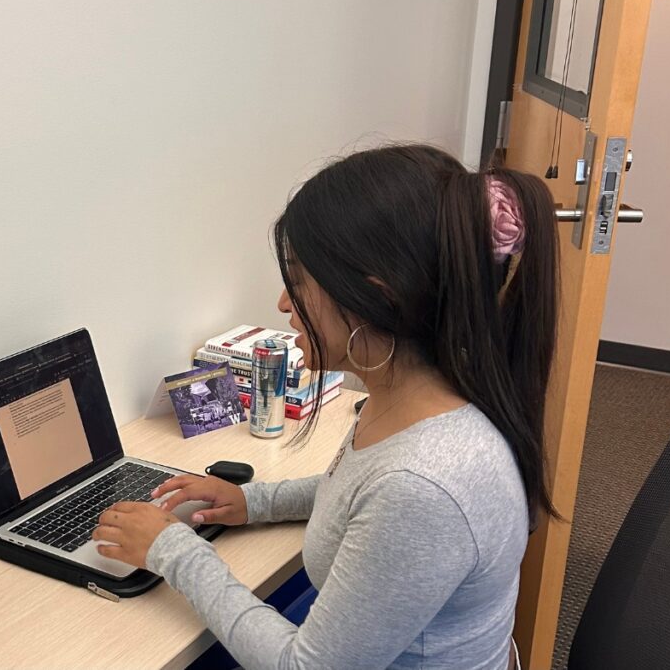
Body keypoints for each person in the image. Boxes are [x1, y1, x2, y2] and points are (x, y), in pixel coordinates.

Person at [92, 144, 559, 669]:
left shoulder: (424, 485)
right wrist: (253, 502)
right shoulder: (421, 400)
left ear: (377, 298)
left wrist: (173, 551)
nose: (284, 304)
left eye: (299, 283)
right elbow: (356, 491)